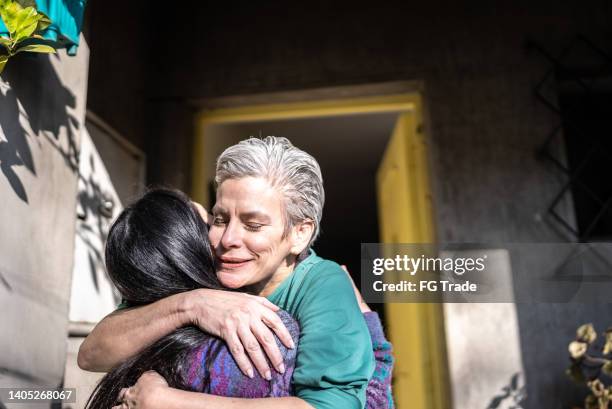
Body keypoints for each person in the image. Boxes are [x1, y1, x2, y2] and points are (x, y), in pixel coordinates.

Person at [80, 137, 392, 409]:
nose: (228, 239)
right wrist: (192, 304)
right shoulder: (207, 265)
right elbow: (92, 354)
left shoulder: (323, 284)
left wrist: (168, 402)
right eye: (219, 219)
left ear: (300, 233)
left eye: (253, 225)